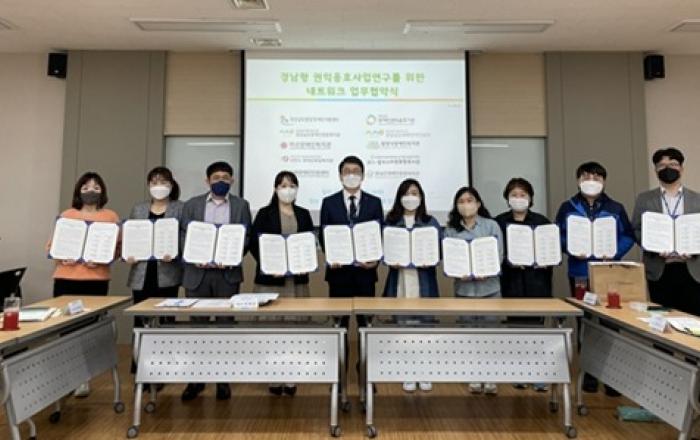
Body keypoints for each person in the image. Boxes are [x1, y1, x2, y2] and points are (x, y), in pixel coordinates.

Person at [555, 161, 634, 395]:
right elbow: (557, 235)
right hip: (579, 272)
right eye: (586, 177)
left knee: (611, 322)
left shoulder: (615, 207)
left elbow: (628, 235)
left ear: (604, 181)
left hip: (608, 271)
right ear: (578, 180)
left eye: (597, 177)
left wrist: (615, 252)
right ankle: (589, 374)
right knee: (585, 323)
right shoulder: (567, 207)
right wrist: (570, 247)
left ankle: (612, 378)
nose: (591, 181)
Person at [179, 161, 252, 402]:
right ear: (207, 180)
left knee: (224, 326)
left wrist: (231, 257)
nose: (221, 180)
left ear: (232, 180)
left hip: (227, 275)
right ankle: (196, 380)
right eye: (216, 177)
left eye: (225, 177)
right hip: (197, 274)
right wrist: (194, 256)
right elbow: (182, 236)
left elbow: (247, 237)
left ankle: (222, 379)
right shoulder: (192, 205)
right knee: (198, 327)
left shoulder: (241, 205)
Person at [48, 171, 120, 397]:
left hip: (95, 281)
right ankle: (68, 377)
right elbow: (52, 246)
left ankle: (84, 377)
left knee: (89, 329)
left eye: (96, 187)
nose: (91, 191)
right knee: (66, 329)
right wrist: (62, 257)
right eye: (86, 187)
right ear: (78, 191)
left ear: (103, 192)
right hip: (66, 280)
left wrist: (103, 258)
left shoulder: (110, 217)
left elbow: (118, 249)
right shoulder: (67, 215)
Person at [250, 170, 314, 397]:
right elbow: (254, 244)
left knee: (295, 328)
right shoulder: (264, 213)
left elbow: (309, 243)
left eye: (292, 185)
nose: (288, 190)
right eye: (283, 185)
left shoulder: (304, 214)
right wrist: (269, 265)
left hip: (296, 282)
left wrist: (307, 262)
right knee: (273, 328)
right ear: (276, 189)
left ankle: (291, 376)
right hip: (271, 282)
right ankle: (274, 377)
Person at [319, 155, 383, 372]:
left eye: (356, 171)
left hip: (366, 274)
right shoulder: (329, 202)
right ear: (340, 176)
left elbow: (379, 235)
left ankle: (366, 372)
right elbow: (324, 236)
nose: (351, 175)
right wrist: (332, 256)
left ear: (363, 175)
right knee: (340, 326)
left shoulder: (375, 202)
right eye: (347, 171)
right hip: (339, 274)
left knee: (366, 325)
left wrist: (375, 261)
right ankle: (339, 373)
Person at [382, 178, 441, 393]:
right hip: (400, 279)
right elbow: (382, 251)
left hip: (423, 279)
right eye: (406, 193)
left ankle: (424, 371)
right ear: (399, 197)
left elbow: (439, 251)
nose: (410, 197)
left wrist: (431, 258)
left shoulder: (430, 222)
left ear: (421, 197)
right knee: (403, 326)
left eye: (415, 193)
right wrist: (389, 259)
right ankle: (407, 370)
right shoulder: (391, 222)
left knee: (425, 326)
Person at [126, 167, 184, 382]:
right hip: (141, 273)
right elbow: (131, 236)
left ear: (171, 185)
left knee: (166, 321)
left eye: (164, 182)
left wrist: (176, 252)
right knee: (140, 321)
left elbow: (185, 237)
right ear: (149, 185)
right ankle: (140, 368)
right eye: (154, 182)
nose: (159, 186)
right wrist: (128, 254)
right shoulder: (139, 208)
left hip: (167, 273)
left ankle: (163, 369)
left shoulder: (180, 208)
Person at [495, 177, 552, 393]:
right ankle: (519, 373)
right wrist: (508, 261)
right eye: (514, 195)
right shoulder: (499, 222)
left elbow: (551, 251)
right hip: (511, 282)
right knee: (516, 328)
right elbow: (494, 253)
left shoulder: (542, 222)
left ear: (530, 198)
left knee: (537, 328)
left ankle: (539, 375)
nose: (518, 199)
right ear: (507, 198)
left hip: (536, 282)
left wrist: (544, 260)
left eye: (523, 195)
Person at [444, 186, 503, 396]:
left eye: (470, 200)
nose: (466, 205)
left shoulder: (491, 226)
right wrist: (456, 271)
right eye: (461, 201)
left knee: (491, 334)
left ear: (478, 203)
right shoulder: (450, 230)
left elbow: (499, 255)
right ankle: (474, 375)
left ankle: (491, 377)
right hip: (464, 290)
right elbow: (449, 258)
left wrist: (489, 269)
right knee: (468, 334)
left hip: (490, 289)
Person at [632, 147, 700, 315]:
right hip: (659, 267)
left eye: (673, 164)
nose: (668, 168)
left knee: (693, 319)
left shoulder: (697, 199)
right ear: (656, 170)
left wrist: (695, 249)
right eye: (662, 165)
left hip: (692, 268)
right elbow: (636, 229)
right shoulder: (645, 199)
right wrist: (652, 247)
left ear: (681, 169)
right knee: (661, 318)